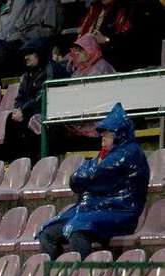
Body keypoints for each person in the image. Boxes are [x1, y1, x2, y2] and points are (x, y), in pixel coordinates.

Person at [38, 103, 148, 260]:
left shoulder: (130, 153)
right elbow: (80, 176)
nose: (103, 137)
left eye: (108, 134)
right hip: (94, 209)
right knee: (47, 233)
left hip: (120, 211)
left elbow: (92, 176)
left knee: (78, 229)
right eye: (103, 133)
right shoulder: (103, 155)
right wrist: (81, 178)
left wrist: (81, 179)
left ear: (119, 134)